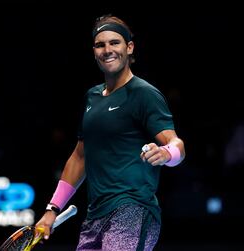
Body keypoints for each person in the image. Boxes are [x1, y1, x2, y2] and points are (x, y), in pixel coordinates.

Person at [35, 14, 185, 251]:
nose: (107, 50)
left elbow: (177, 144)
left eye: (114, 42)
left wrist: (166, 154)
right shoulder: (91, 97)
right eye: (100, 44)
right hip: (94, 216)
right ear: (94, 51)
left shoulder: (145, 94)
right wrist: (52, 210)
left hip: (132, 211)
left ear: (129, 47)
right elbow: (80, 157)